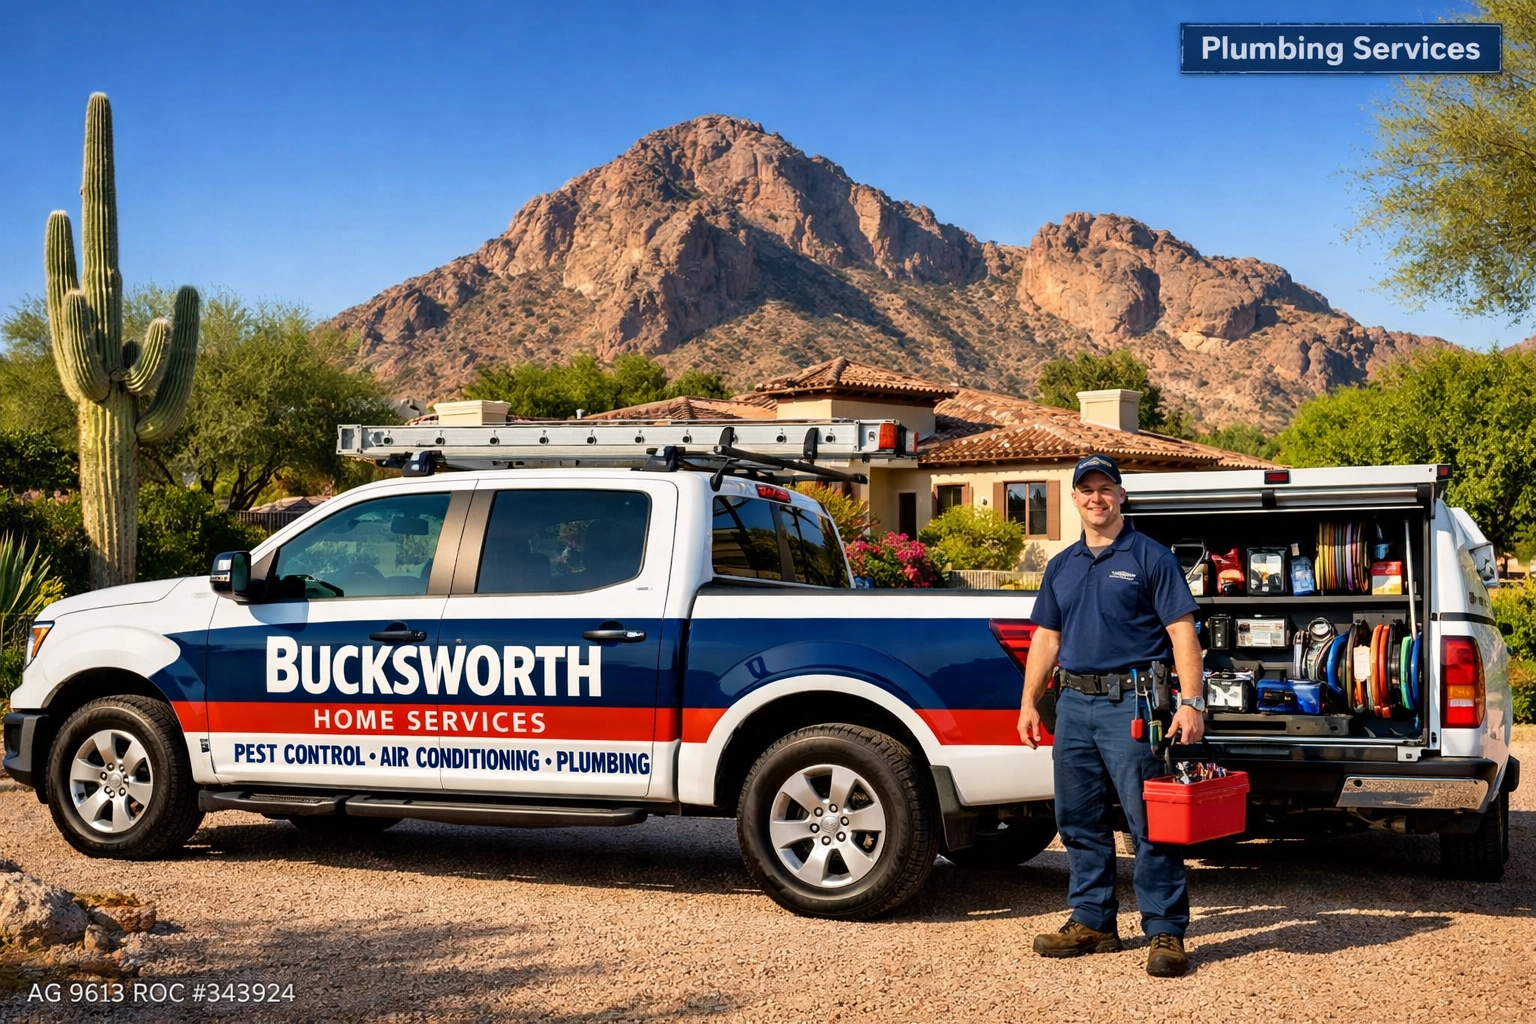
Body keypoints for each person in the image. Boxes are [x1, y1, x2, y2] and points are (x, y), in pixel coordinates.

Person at [1017, 454, 1207, 978]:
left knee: (1151, 824)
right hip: (1074, 705)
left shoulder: (1150, 557)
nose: (1096, 498)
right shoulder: (1061, 565)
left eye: (1106, 488)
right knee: (1077, 820)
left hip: (1133, 704)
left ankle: (1165, 930)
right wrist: (1030, 701)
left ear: (1122, 496)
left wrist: (1191, 703)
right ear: (1074, 499)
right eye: (1087, 490)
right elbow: (1047, 638)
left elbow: (1182, 634)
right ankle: (1094, 920)